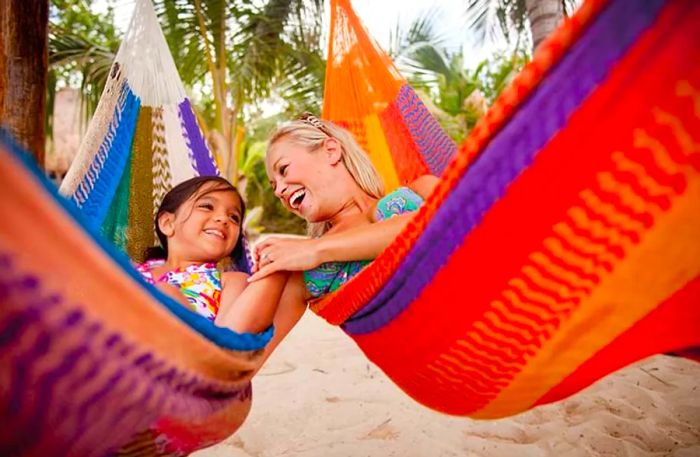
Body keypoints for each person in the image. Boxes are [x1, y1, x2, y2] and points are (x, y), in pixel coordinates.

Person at [248, 113, 438, 360]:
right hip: (442, 367)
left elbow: (446, 219)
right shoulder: (308, 273)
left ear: (331, 150)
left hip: (493, 314)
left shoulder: (421, 188)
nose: (281, 191)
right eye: (274, 186)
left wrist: (317, 249)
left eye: (283, 170)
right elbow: (248, 353)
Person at [136, 176, 287, 334]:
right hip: (119, 342)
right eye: (207, 206)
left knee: (167, 294)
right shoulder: (132, 271)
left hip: (178, 350)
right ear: (167, 223)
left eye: (234, 217)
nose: (223, 219)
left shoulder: (231, 281)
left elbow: (228, 337)